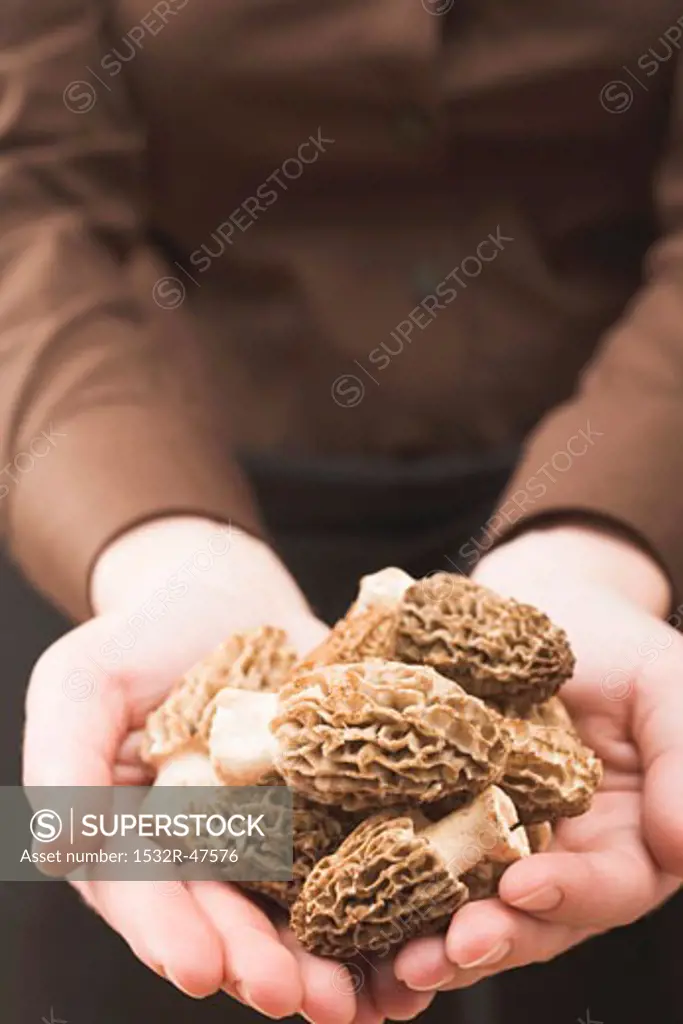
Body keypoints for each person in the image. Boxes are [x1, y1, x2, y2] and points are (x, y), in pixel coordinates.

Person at [3, 1, 683, 1022]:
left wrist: (603, 542)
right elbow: (22, 194)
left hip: (629, 482)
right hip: (143, 480)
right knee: (68, 867)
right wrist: (155, 553)